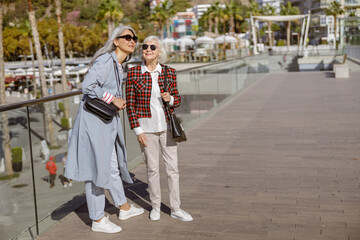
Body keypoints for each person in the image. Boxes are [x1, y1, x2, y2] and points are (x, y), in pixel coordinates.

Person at [64, 25, 144, 234]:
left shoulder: (118, 65)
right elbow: (88, 86)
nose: (132, 40)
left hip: (104, 122)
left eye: (134, 37)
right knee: (96, 169)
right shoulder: (106, 60)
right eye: (127, 36)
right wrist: (113, 99)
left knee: (111, 165)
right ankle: (98, 219)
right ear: (115, 41)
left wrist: (115, 100)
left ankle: (123, 206)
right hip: (94, 123)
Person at [126, 36, 193, 222]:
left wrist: (169, 99)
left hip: (167, 128)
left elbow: (177, 99)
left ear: (159, 51)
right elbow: (130, 105)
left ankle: (176, 208)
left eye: (152, 47)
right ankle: (155, 206)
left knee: (173, 169)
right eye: (145, 46)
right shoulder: (133, 73)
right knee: (152, 170)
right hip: (146, 129)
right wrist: (137, 130)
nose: (148, 49)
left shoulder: (169, 72)